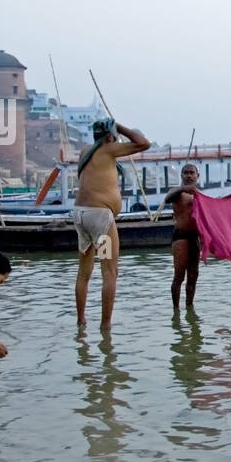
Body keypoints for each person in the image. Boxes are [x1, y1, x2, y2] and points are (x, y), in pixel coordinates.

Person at [72, 118, 151, 328]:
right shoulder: (108, 149)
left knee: (84, 272)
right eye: (114, 137)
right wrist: (121, 127)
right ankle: (105, 326)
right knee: (110, 272)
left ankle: (81, 321)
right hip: (99, 219)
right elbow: (144, 143)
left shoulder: (86, 151)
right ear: (109, 137)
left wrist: (111, 133)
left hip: (81, 216)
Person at [160, 163, 201, 312]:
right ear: (182, 176)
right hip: (180, 237)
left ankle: (190, 307)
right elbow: (168, 198)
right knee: (179, 276)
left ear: (197, 176)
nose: (189, 175)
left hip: (195, 237)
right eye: (186, 173)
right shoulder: (177, 192)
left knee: (193, 276)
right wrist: (183, 188)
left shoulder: (200, 195)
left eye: (192, 173)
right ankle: (176, 310)